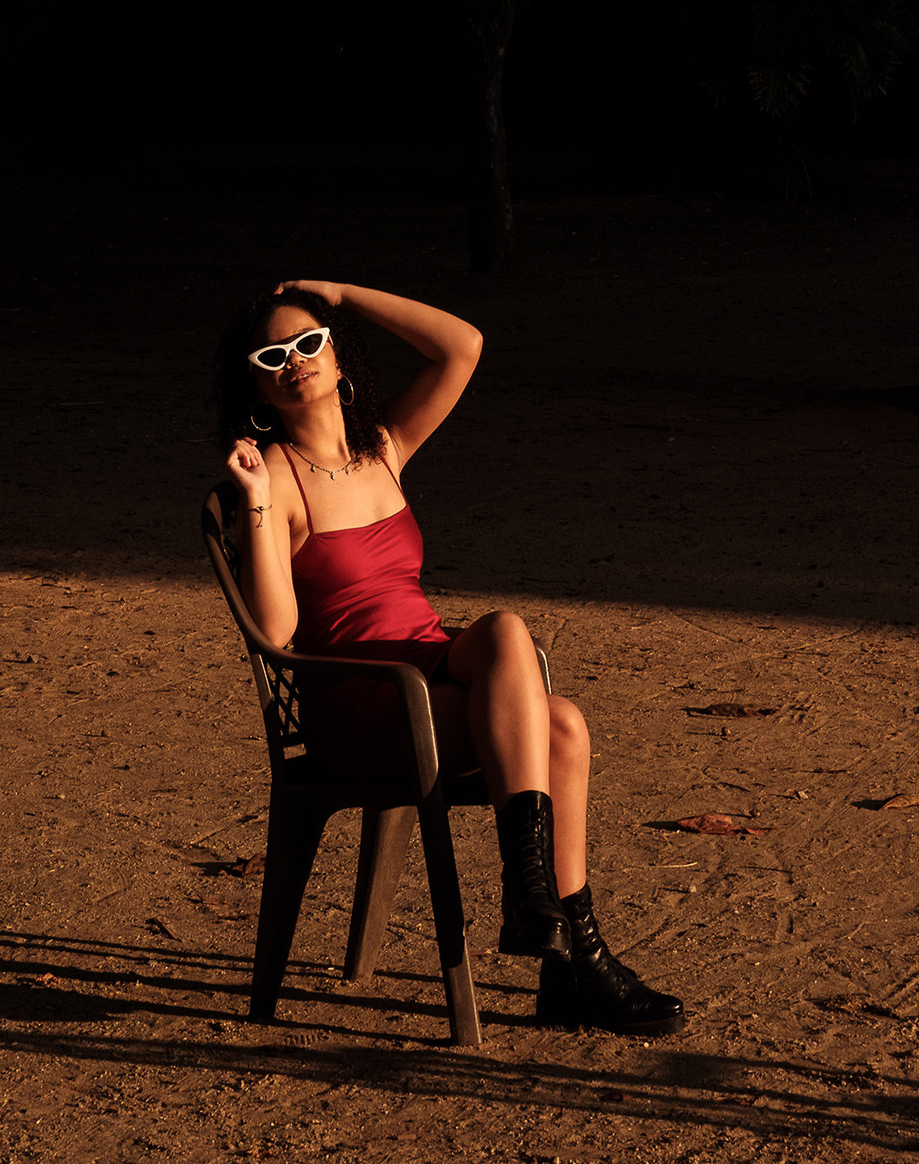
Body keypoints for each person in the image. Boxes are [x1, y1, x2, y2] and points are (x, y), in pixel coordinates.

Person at [217, 278, 684, 1038]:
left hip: (426, 664)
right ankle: (570, 956)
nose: (295, 360)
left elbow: (462, 346)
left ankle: (551, 930)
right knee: (554, 724)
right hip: (363, 698)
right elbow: (274, 628)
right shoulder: (274, 473)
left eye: (310, 341)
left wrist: (341, 293)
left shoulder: (382, 450)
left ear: (338, 357)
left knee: (529, 668)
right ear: (258, 385)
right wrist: (255, 502)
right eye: (274, 355)